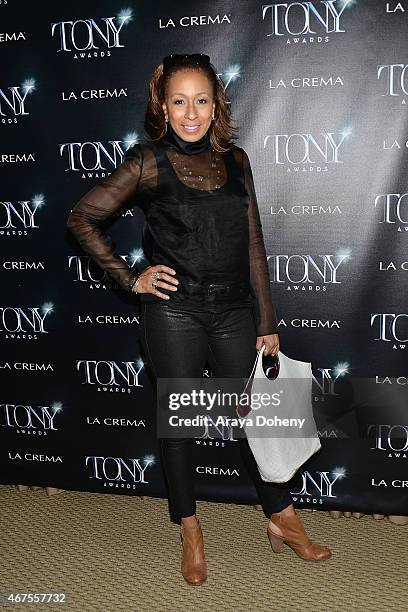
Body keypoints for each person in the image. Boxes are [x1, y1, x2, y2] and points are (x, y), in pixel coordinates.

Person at [66, 53, 331, 586]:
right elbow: (82, 217)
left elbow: (254, 243)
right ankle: (190, 529)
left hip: (235, 311)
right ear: (163, 106)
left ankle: (281, 517)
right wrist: (130, 277)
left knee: (258, 420)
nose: (191, 112)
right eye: (179, 101)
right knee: (180, 425)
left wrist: (267, 321)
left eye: (201, 100)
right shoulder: (147, 161)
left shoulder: (237, 161)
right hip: (175, 312)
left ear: (217, 104)